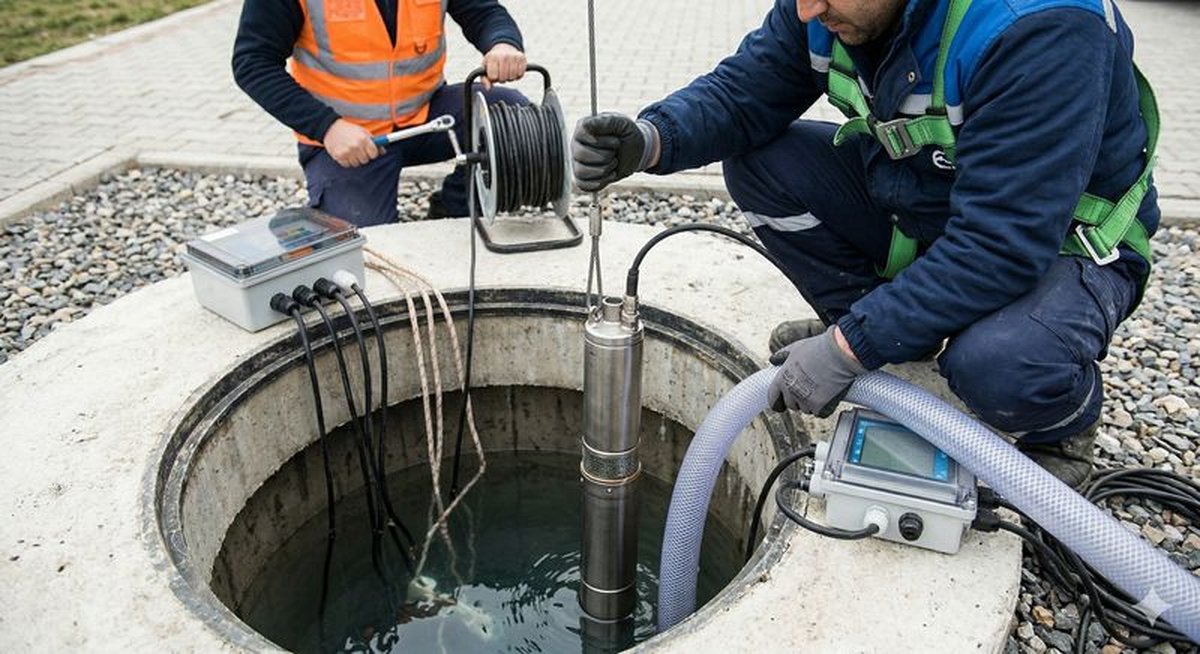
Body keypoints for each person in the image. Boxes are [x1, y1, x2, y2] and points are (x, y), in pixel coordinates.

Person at [571, 0, 1159, 489]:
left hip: (1061, 241)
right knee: (763, 165)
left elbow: (1001, 242)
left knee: (999, 367)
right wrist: (650, 140)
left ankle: (1063, 422)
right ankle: (899, 334)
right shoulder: (827, 8)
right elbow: (744, 94)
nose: (808, 9)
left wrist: (847, 348)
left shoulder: (1038, 26)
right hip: (931, 200)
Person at [233, 0, 529, 226]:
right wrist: (327, 127)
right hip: (347, 142)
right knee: (367, 250)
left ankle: (453, 208)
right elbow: (253, 62)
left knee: (513, 119)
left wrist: (502, 41)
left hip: (427, 115)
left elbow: (484, 12)